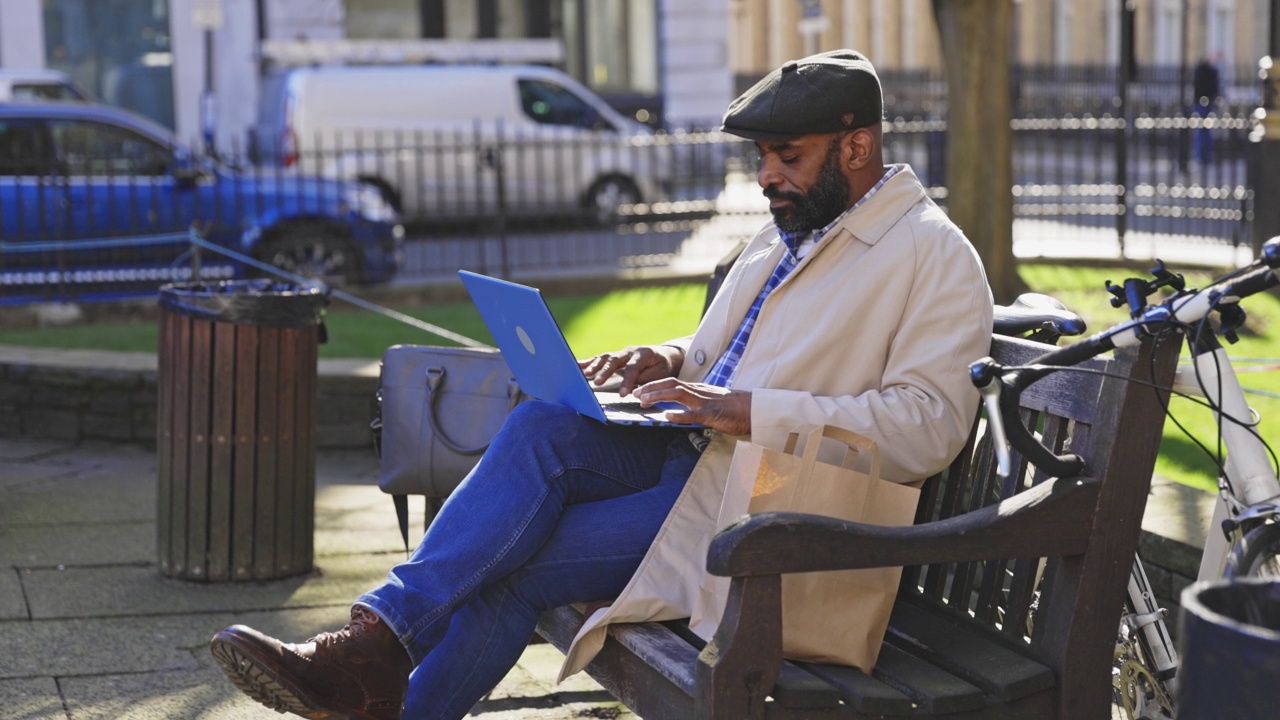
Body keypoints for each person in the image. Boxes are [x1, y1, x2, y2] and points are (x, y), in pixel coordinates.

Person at [210, 49, 994, 720]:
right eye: (760, 159)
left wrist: (751, 411)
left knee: (504, 572)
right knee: (544, 423)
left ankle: (370, 672)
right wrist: (669, 357)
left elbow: (928, 427)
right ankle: (374, 643)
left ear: (856, 148)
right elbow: (736, 347)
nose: (766, 177)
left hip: (763, 510)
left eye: (786, 155)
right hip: (689, 456)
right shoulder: (787, 232)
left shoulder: (934, 256)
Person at [1192, 53, 1222, 166]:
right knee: (1203, 131)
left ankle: (1203, 155)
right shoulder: (1207, 72)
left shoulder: (1206, 71)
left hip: (1204, 102)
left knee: (1204, 131)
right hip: (1204, 102)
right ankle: (1202, 155)